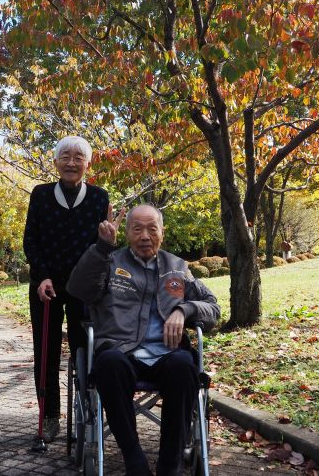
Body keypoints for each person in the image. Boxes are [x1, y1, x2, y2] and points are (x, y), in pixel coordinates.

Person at [67, 204, 220, 476]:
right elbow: (79, 289)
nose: (145, 236)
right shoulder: (110, 262)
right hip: (121, 350)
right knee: (109, 364)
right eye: (137, 229)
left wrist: (184, 310)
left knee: (185, 367)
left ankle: (169, 467)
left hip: (168, 352)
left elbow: (212, 308)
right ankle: (135, 462)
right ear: (126, 233)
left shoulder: (178, 268)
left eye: (152, 228)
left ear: (162, 232)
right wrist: (102, 248)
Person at [23, 135, 109, 441]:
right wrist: (42, 276)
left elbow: (102, 248)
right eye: (65, 157)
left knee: (84, 349)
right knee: (45, 353)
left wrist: (108, 240)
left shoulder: (99, 197)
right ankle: (48, 417)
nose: (71, 163)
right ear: (56, 161)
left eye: (78, 157)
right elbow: (31, 241)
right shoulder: (41, 194)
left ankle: (87, 412)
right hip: (46, 285)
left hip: (82, 288)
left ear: (88, 163)